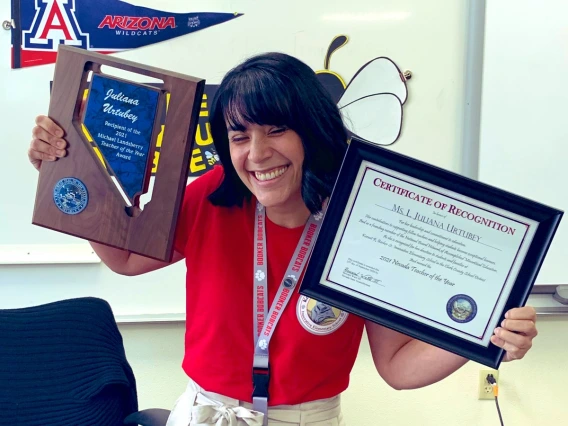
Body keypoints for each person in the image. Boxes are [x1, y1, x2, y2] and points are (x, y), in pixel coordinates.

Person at [27, 52, 538, 426]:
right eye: (239, 135)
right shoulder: (213, 196)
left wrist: (485, 339)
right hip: (204, 414)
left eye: (275, 130)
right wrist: (69, 171)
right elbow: (126, 261)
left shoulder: (364, 221)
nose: (256, 153)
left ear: (311, 130)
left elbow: (398, 368)